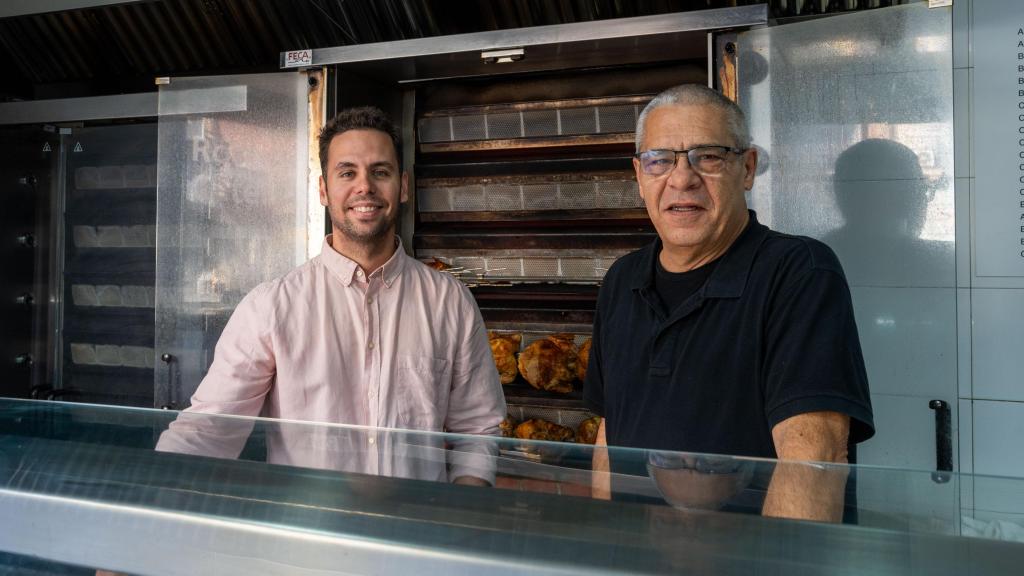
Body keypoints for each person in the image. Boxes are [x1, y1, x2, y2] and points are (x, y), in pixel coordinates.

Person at [157, 106, 505, 485]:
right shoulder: (272, 306)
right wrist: (151, 493)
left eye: (380, 172)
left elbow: (477, 429)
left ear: (403, 186)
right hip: (309, 534)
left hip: (416, 531)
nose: (365, 187)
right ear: (324, 189)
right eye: (347, 173)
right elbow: (209, 427)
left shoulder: (449, 301)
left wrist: (461, 518)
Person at [584, 84, 874, 521]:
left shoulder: (799, 272)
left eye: (709, 156)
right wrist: (607, 543)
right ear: (639, 175)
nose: (682, 179)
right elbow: (610, 434)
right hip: (641, 554)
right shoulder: (622, 280)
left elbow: (814, 456)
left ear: (748, 167)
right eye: (660, 160)